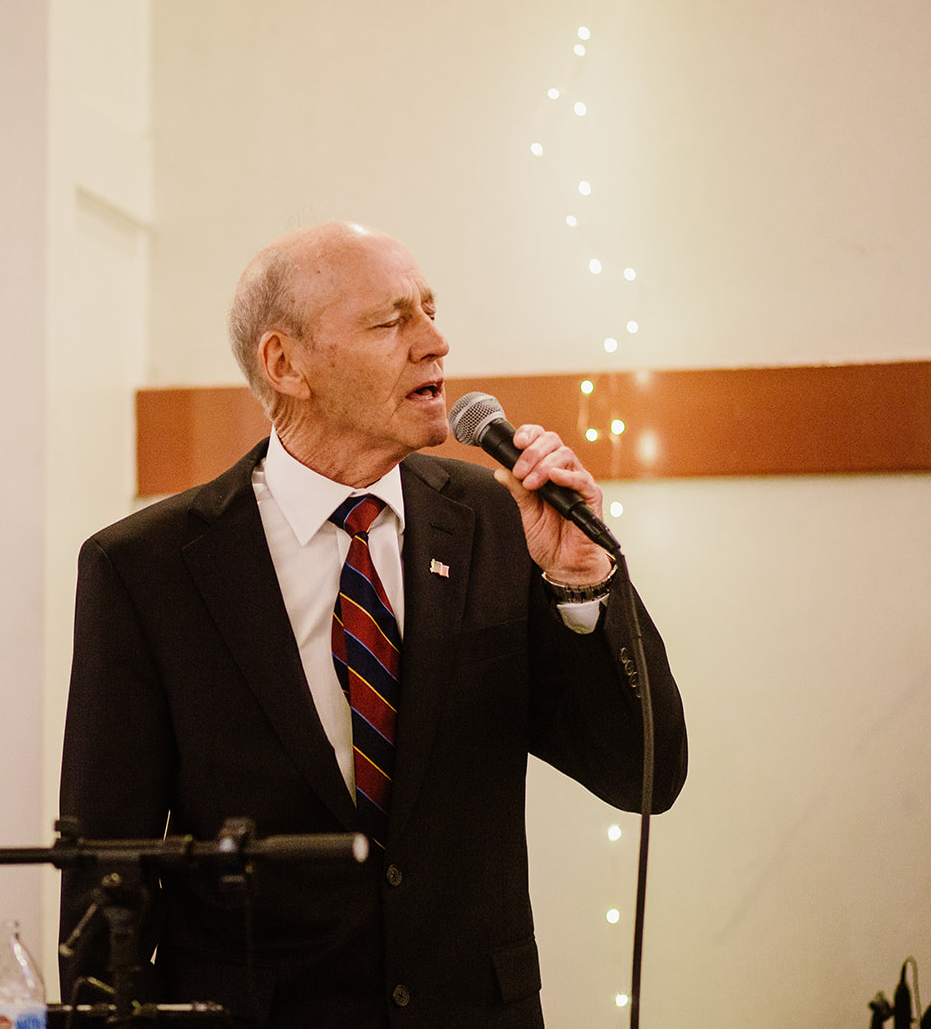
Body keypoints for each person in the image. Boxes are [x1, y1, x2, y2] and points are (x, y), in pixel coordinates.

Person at [58, 221, 687, 1028]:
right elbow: (106, 881)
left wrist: (580, 583)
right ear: (286, 365)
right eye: (392, 322)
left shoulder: (495, 521)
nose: (435, 342)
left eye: (429, 310)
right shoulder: (146, 567)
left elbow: (646, 771)